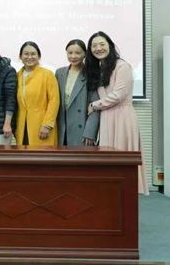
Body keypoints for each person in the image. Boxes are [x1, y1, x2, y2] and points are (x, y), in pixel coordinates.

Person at [86, 31, 148, 195]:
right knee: (108, 159)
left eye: (102, 44)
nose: (98, 48)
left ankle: (128, 195)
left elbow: (118, 95)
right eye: (94, 46)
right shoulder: (99, 68)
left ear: (110, 46)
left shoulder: (122, 66)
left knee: (122, 158)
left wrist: (95, 105)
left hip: (122, 117)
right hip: (107, 117)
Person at [55, 39, 99, 147]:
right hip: (61, 128)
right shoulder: (59, 73)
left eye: (78, 53)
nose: (73, 56)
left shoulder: (90, 73)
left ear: (84, 54)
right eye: (70, 53)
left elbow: (95, 105)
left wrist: (90, 132)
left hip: (81, 129)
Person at [15, 41, 59, 146]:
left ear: (39, 56)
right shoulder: (17, 75)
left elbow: (54, 101)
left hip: (42, 125)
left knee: (42, 154)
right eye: (26, 54)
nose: (29, 57)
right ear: (20, 57)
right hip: (22, 126)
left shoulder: (47, 75)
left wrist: (47, 125)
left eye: (33, 54)